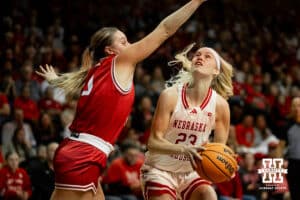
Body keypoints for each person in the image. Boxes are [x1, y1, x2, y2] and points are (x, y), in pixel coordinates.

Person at [36, 1, 208, 199]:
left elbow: (81, 87)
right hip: (83, 155)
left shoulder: (96, 70)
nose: (129, 46)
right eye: (123, 42)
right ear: (111, 51)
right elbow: (165, 29)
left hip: (82, 153)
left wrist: (55, 79)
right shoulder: (121, 60)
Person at [140, 43, 233, 200]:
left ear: (216, 71)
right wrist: (184, 150)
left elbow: (219, 149)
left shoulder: (221, 106)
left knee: (209, 195)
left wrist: (225, 166)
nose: (199, 57)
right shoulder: (170, 96)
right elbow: (153, 143)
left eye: (207, 56)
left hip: (192, 173)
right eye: (197, 55)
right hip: (160, 169)